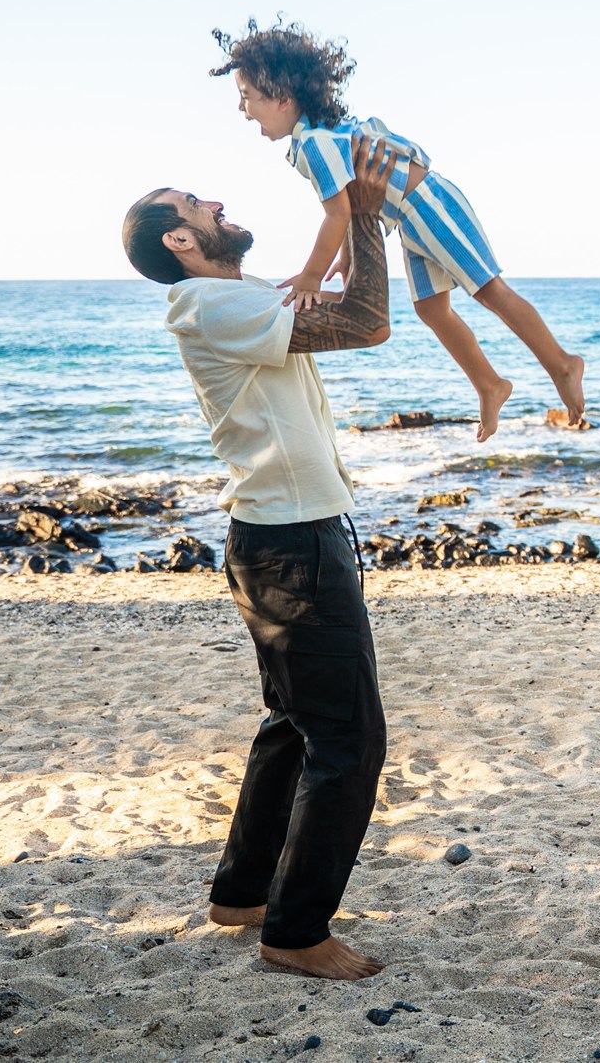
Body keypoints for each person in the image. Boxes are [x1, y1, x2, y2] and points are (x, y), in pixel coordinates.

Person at [120, 135, 398, 980]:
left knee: (292, 725)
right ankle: (296, 931)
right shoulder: (212, 305)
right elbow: (368, 321)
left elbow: (340, 305)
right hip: (292, 547)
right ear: (178, 239)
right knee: (349, 740)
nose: (216, 206)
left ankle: (241, 892)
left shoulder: (233, 303)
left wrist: (350, 223)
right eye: (198, 204)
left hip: (276, 539)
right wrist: (366, 219)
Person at [210, 17, 586, 443]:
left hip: (429, 204)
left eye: (247, 97)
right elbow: (353, 206)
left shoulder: (315, 144)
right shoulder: (317, 136)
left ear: (281, 97)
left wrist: (312, 275)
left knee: (490, 291)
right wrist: (346, 259)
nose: (243, 110)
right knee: (431, 310)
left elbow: (337, 214)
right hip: (408, 218)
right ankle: (489, 384)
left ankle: (562, 363)